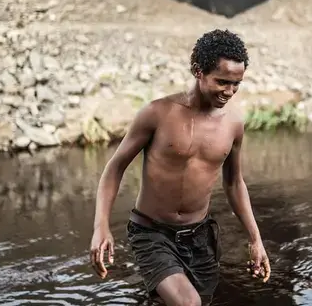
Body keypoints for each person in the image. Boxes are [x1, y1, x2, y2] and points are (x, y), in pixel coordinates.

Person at [90, 28, 271, 305]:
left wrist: (255, 239)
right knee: (189, 304)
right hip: (152, 233)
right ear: (198, 71)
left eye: (237, 84)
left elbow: (234, 182)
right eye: (222, 81)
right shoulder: (157, 113)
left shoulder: (233, 123)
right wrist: (101, 225)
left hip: (201, 238)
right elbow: (114, 168)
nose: (229, 91)